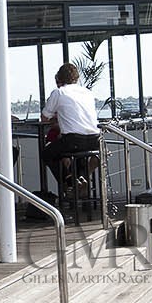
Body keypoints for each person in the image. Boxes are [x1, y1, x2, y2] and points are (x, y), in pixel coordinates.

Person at [40, 63, 101, 201]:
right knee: (79, 157)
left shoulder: (59, 92)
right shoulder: (87, 92)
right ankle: (82, 178)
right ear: (76, 78)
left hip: (73, 140)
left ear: (60, 79)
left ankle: (70, 182)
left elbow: (44, 117)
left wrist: (57, 117)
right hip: (94, 140)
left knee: (47, 154)